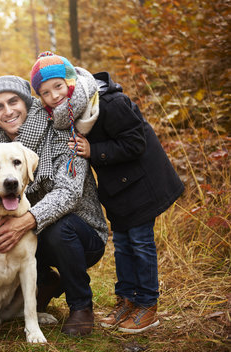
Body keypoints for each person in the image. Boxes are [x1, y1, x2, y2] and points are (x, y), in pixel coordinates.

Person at [30, 51, 184, 333]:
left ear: (71, 82)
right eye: (44, 92)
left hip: (142, 186)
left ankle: (147, 305)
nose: (53, 96)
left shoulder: (109, 103)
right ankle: (126, 300)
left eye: (58, 87)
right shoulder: (70, 115)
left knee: (140, 244)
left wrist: (94, 151)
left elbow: (136, 143)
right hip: (118, 190)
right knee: (123, 245)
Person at [0, 75, 109, 336]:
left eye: (13, 101)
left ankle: (81, 307)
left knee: (59, 228)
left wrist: (25, 221)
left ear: (27, 102)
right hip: (34, 234)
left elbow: (68, 193)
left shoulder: (62, 133)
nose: (8, 111)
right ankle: (45, 282)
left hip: (81, 234)